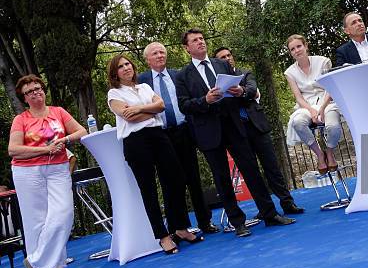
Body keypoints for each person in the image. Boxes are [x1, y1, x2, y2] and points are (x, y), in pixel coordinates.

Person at [175, 28, 295, 238]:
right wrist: (205, 100)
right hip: (209, 132)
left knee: (252, 170)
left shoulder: (222, 64)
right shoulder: (182, 75)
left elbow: (240, 88)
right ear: (187, 48)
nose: (201, 42)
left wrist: (240, 91)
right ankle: (238, 222)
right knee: (222, 178)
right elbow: (184, 105)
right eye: (195, 40)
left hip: (234, 125)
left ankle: (269, 214)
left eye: (202, 38)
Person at [106, 54, 203, 255]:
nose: (126, 68)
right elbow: (128, 116)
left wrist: (140, 108)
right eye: (121, 66)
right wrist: (151, 110)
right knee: (148, 189)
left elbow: (162, 106)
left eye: (128, 64)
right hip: (136, 142)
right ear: (115, 73)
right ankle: (163, 236)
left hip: (159, 136)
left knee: (176, 179)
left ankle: (180, 228)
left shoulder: (145, 87)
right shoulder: (114, 94)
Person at [8, 74, 87, 268]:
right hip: (27, 172)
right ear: (24, 98)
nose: (35, 93)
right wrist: (44, 149)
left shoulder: (58, 112)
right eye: (29, 92)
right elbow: (13, 150)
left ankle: (35, 260)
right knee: (37, 221)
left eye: (38, 88)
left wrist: (65, 139)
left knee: (63, 213)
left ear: (43, 89)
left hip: (58, 168)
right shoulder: (20, 119)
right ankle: (57, 266)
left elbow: (81, 130)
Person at [138, 42, 219, 234]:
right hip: (160, 135)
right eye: (155, 53)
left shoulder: (178, 75)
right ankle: (177, 227)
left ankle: (204, 221)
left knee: (193, 178)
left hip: (184, 131)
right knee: (170, 182)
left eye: (162, 52)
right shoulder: (141, 81)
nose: (159, 56)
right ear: (147, 59)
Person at [214, 47, 304, 216]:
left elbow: (252, 90)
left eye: (229, 55)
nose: (227, 59)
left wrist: (241, 92)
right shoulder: (216, 83)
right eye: (222, 58)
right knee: (252, 173)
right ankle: (266, 209)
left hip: (257, 126)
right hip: (236, 132)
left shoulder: (245, 73)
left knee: (272, 167)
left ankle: (287, 203)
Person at [284, 34, 342, 175]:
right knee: (297, 123)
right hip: (306, 105)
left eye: (299, 46)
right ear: (290, 53)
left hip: (327, 102)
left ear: (306, 46)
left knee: (333, 126)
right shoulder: (289, 72)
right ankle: (319, 154)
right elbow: (298, 96)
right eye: (292, 49)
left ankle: (329, 152)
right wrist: (311, 110)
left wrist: (321, 108)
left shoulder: (323, 61)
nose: (297, 50)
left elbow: (331, 88)